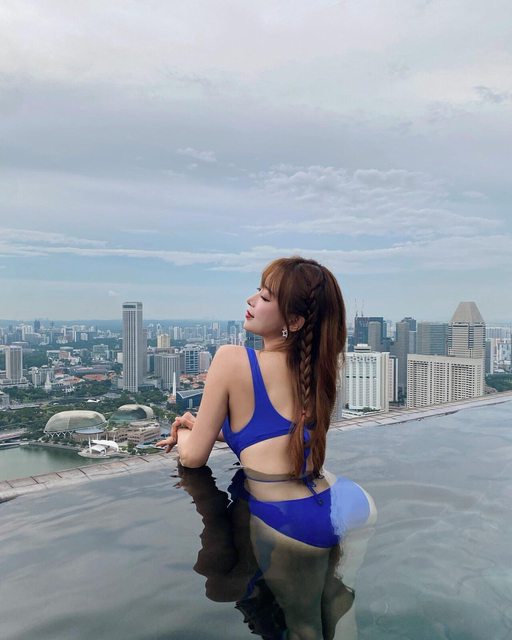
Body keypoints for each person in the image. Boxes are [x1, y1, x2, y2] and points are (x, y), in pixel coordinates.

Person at [157, 256, 376, 639]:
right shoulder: (317, 368)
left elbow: (192, 458)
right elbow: (273, 433)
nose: (251, 299)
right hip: (348, 502)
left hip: (290, 520)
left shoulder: (231, 359)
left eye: (265, 296)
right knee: (338, 602)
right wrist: (213, 428)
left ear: (294, 321)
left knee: (303, 628)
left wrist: (186, 432)